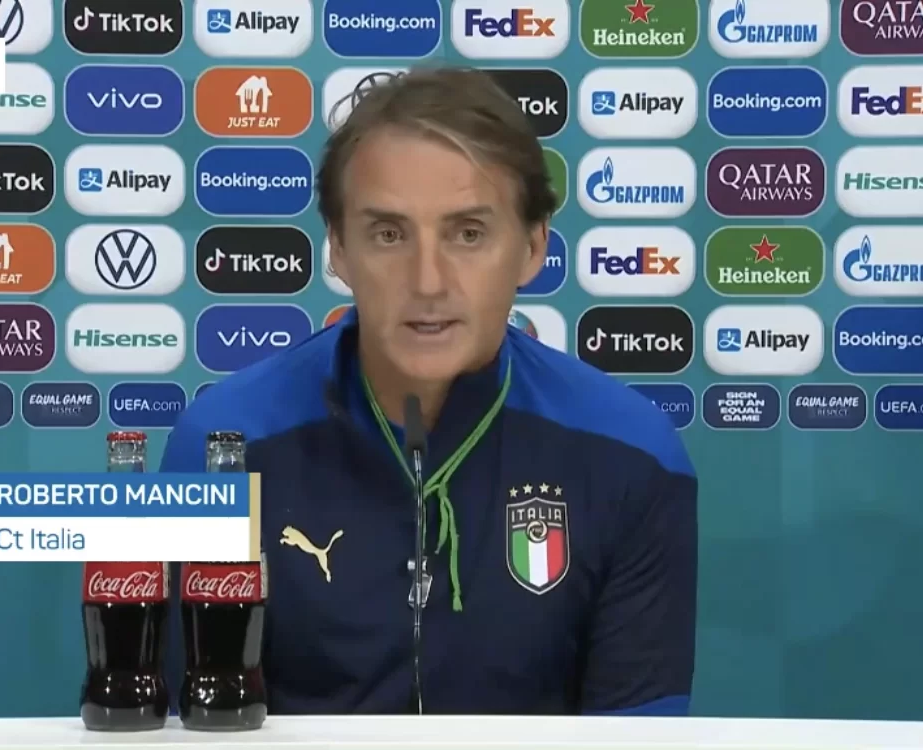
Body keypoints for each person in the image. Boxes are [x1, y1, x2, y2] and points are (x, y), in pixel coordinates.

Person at [160, 67, 698, 716]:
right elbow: (179, 725)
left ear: (532, 247)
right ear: (338, 248)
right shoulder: (223, 448)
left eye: (468, 233)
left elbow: (638, 737)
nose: (428, 282)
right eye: (389, 234)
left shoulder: (632, 455)